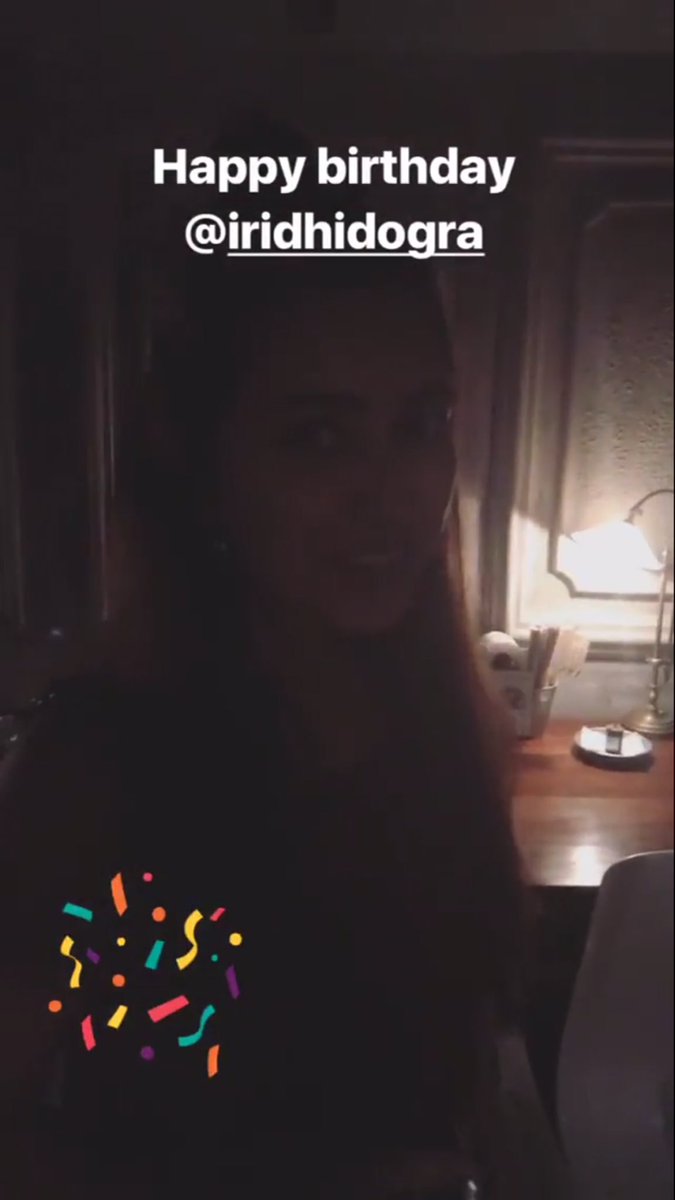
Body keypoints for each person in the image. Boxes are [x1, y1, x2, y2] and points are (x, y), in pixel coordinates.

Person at [0, 129, 532, 1199]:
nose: (389, 495)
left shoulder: (431, 716)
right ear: (202, 459)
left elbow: (459, 1062)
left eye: (418, 423)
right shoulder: (105, 770)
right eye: (318, 438)